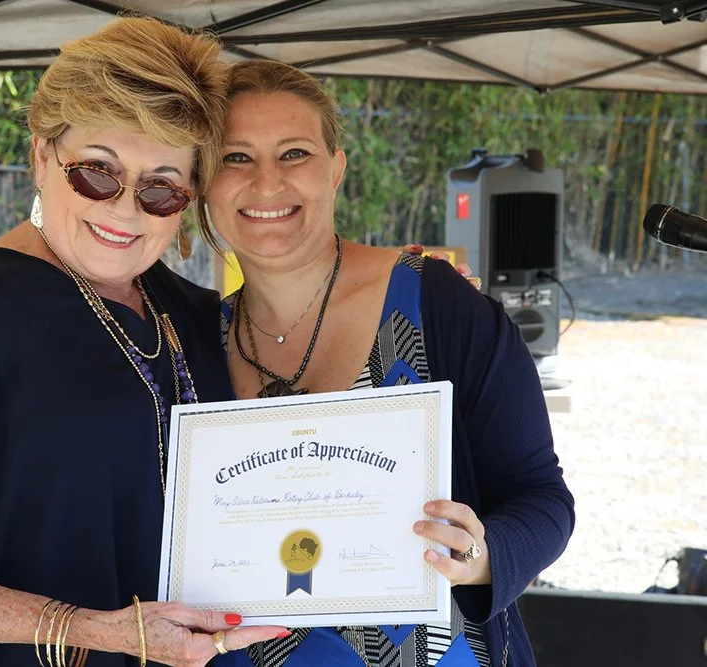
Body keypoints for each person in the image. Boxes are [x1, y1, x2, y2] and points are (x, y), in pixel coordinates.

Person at [0, 18, 290, 667]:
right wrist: (95, 630)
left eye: (160, 187)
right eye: (97, 173)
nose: (125, 209)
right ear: (42, 156)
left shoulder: (190, 313)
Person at [202, 60, 575, 667]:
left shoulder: (438, 304)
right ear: (203, 179)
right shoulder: (195, 341)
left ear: (336, 169)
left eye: (294, 153)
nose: (267, 183)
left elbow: (542, 500)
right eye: (235, 158)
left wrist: (480, 558)